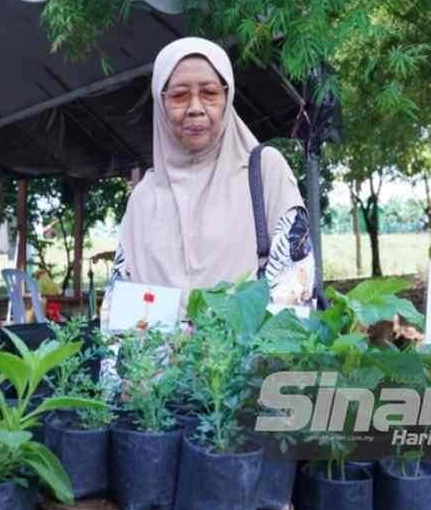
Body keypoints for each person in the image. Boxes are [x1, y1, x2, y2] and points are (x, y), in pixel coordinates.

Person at [105, 37, 315, 323]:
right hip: (156, 367)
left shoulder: (266, 171)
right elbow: (121, 311)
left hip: (248, 363)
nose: (195, 107)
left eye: (210, 93)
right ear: (161, 102)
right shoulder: (144, 198)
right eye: (179, 95)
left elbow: (295, 289)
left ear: (227, 98)